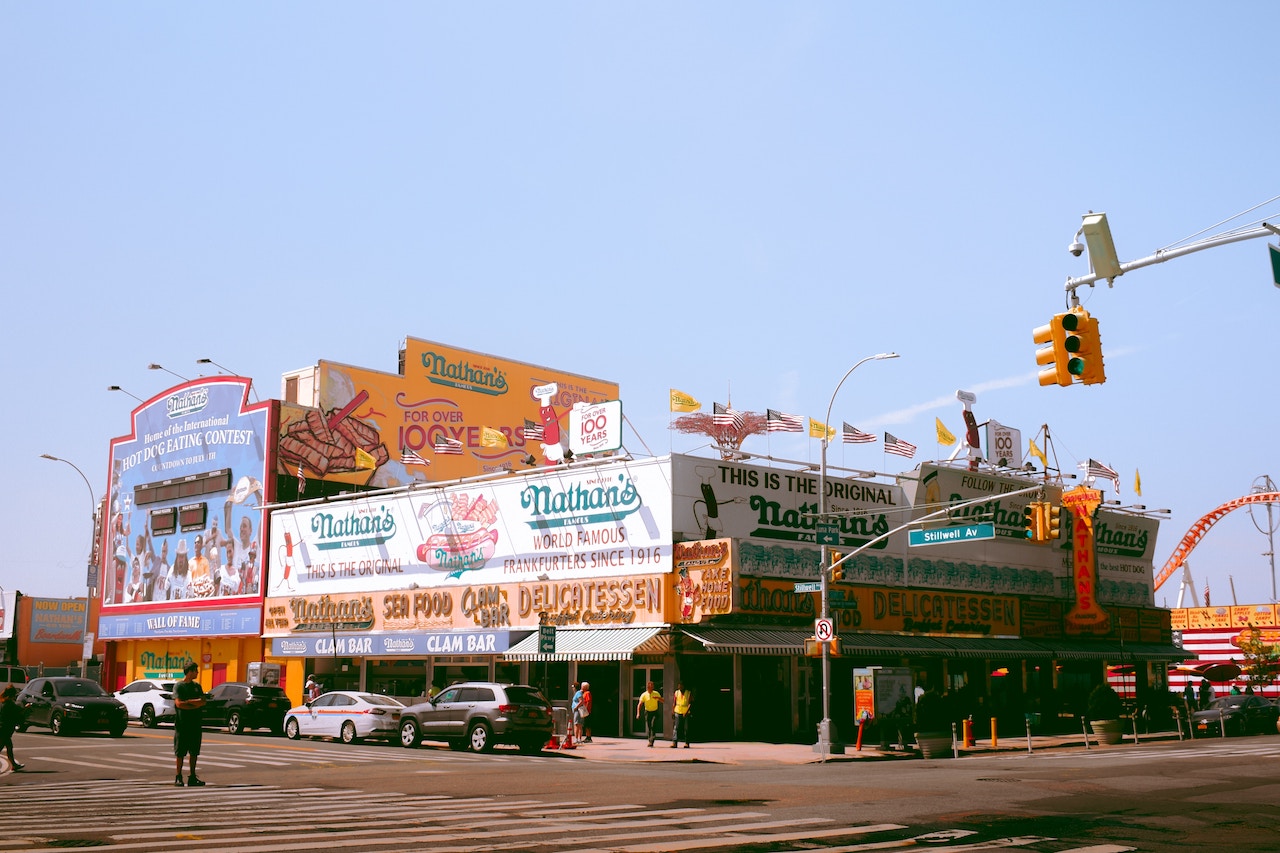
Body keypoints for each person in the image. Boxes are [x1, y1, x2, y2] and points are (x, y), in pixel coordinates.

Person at [173, 662, 207, 787]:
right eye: (195, 670)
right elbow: (179, 704)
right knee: (180, 751)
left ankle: (192, 776)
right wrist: (193, 703)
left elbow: (202, 702)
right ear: (190, 671)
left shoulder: (197, 687)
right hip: (182, 724)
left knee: (194, 751)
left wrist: (188, 703)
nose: (197, 673)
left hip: (195, 724)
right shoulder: (179, 686)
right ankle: (178, 776)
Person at [0, 685, 25, 771]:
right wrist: (26, 708)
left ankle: (14, 765)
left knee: (9, 747)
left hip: (2, 728)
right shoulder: (10, 704)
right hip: (5, 729)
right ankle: (14, 765)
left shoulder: (3, 702)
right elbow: (17, 713)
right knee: (6, 747)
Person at [635, 680, 663, 747]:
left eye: (652, 687)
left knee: (653, 725)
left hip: (655, 712)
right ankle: (650, 740)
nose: (651, 688)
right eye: (650, 687)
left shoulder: (656, 693)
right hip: (647, 712)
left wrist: (658, 698)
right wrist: (638, 713)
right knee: (649, 726)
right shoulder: (644, 695)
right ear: (647, 688)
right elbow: (639, 704)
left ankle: (652, 741)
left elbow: (663, 701)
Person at [671, 682, 692, 748]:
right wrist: (673, 711)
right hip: (677, 711)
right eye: (679, 686)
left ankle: (687, 743)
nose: (680, 687)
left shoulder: (688, 693)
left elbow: (690, 703)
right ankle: (674, 742)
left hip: (686, 712)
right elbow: (674, 702)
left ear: (684, 686)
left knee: (686, 728)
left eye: (681, 686)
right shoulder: (676, 692)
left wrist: (686, 712)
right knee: (676, 728)